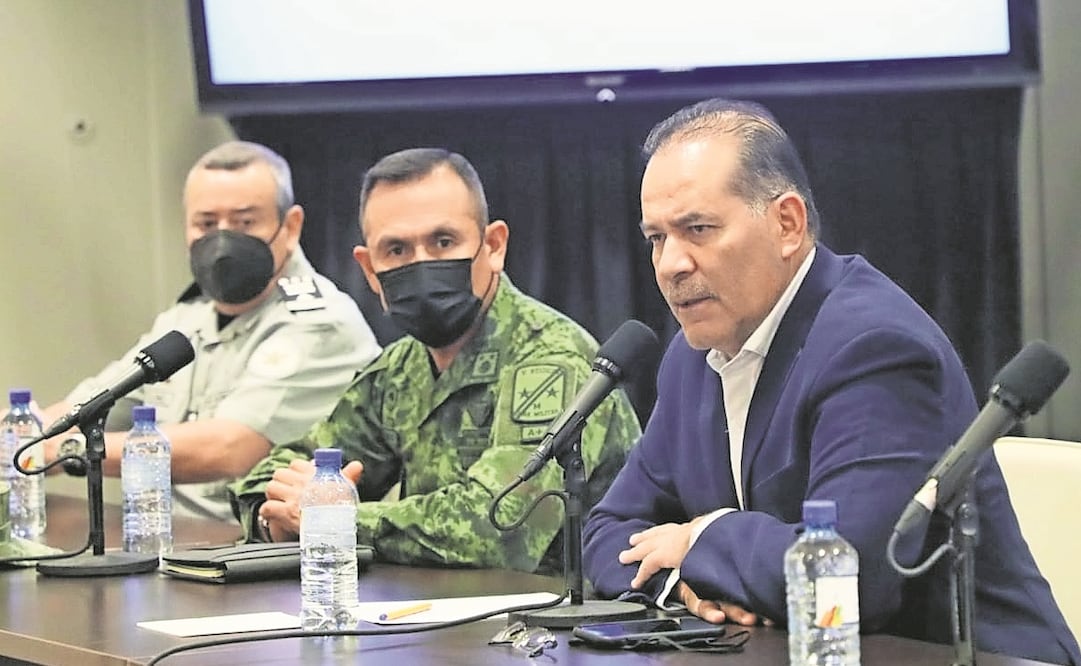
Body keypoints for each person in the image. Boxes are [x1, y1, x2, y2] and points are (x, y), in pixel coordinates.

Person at [581, 99, 1080, 665]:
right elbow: (607, 529)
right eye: (656, 238)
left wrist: (702, 538)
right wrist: (679, 584)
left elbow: (851, 574)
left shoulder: (874, 346)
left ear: (787, 224)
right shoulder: (691, 357)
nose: (671, 263)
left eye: (697, 229)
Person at [229, 147, 641, 574]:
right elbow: (285, 471)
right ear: (370, 270)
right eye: (397, 250)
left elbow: (498, 527)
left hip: (567, 625)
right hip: (436, 623)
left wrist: (331, 520)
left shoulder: (550, 359)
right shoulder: (399, 370)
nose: (421, 264)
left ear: (494, 246)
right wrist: (274, 518)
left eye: (443, 242)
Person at [41, 141, 381, 521]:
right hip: (167, 540)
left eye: (244, 223)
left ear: (290, 226)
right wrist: (24, 433)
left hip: (259, 549)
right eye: (206, 224)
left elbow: (230, 447)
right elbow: (94, 405)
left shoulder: (320, 321)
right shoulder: (186, 318)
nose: (222, 241)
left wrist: (68, 451)